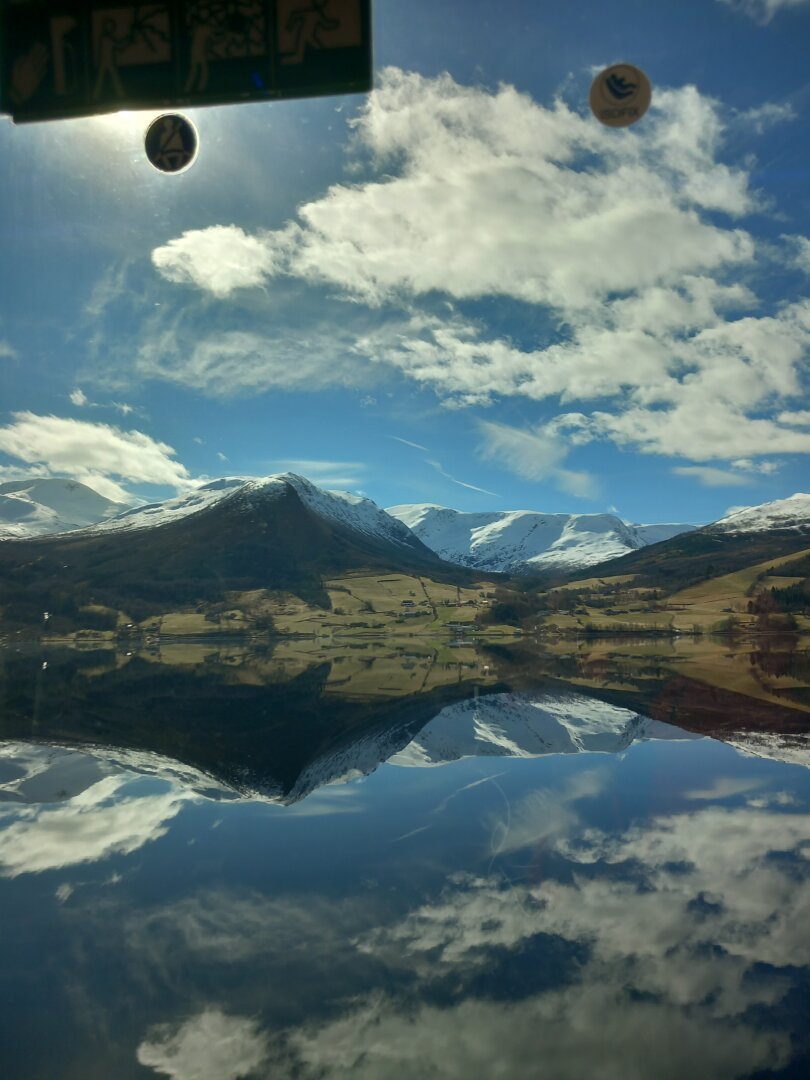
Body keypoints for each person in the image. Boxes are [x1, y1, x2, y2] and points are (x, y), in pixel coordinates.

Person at [281, 0, 339, 65]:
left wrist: (334, 24)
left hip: (309, 36)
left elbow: (325, 24)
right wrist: (289, 26)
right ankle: (282, 61)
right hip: (304, 35)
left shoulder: (317, 14)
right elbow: (295, 14)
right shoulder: (311, 13)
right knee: (299, 56)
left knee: (315, 50)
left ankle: (283, 61)